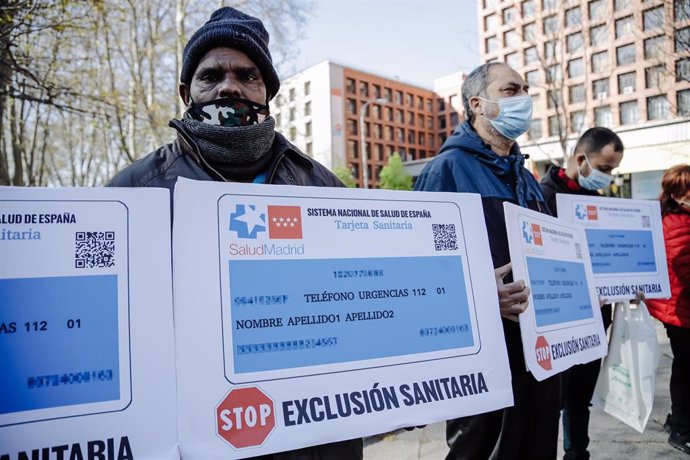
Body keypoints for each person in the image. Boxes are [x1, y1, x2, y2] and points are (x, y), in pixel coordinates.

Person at [108, 7, 362, 460]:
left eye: (247, 75)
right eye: (211, 75)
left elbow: (377, 291)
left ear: (267, 93)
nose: (229, 86)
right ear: (188, 92)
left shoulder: (322, 187)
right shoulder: (134, 193)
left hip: (317, 437)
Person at [414, 62, 559, 459]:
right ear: (478, 104)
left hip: (539, 350)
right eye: (512, 90)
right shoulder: (445, 171)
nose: (524, 98)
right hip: (482, 359)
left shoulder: (526, 178)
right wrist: (479, 295)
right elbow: (420, 270)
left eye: (526, 89)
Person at [540, 127, 624, 460]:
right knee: (549, 401)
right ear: (581, 159)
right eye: (605, 168)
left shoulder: (600, 203)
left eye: (613, 170)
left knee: (579, 397)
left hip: (594, 319)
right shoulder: (541, 196)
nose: (609, 176)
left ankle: (577, 453)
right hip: (556, 322)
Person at [646, 164, 690, 456]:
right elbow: (685, 268)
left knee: (684, 367)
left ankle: (677, 420)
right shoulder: (678, 224)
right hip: (681, 310)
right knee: (686, 370)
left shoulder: (677, 219)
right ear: (679, 194)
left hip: (679, 308)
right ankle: (682, 430)